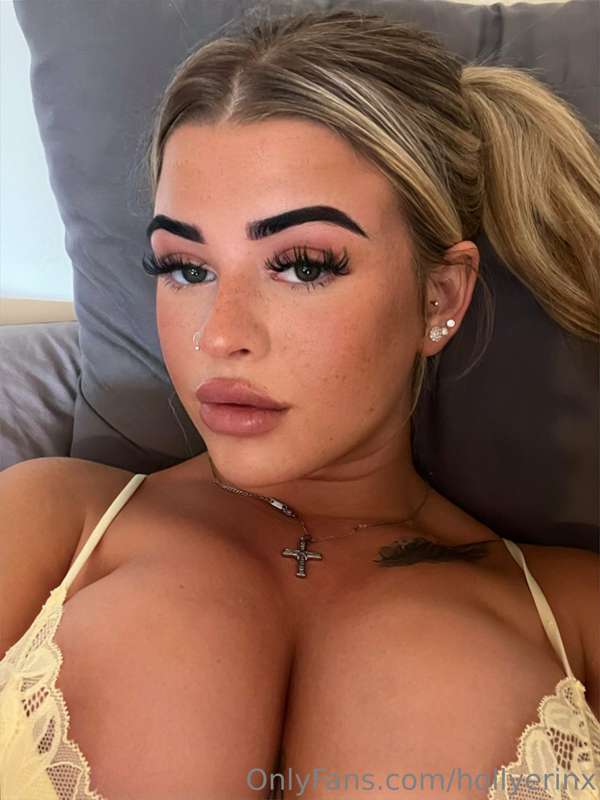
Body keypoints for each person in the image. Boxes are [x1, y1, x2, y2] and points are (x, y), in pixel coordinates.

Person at [1, 7, 599, 800]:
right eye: (185, 268)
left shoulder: (574, 615)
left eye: (304, 265)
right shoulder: (49, 523)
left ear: (439, 296)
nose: (219, 335)